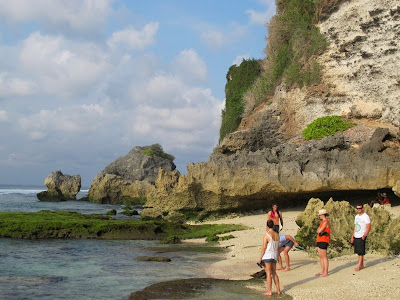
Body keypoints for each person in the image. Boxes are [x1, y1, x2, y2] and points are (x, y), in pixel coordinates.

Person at [257, 219, 281, 296]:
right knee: (274, 273)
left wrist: (260, 258)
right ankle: (278, 290)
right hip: (274, 256)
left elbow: (264, 247)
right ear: (273, 225)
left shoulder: (266, 235)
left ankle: (269, 291)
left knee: (268, 274)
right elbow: (277, 248)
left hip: (267, 256)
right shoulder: (277, 235)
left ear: (267, 226)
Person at [350, 204, 371, 271]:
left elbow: (368, 227)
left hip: (362, 235)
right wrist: (352, 236)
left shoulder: (365, 216)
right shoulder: (356, 217)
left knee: (360, 251)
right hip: (356, 235)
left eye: (360, 208)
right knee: (358, 250)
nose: (359, 210)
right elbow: (355, 227)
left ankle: (359, 265)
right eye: (357, 208)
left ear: (362, 208)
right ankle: (361, 264)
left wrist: (364, 235)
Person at [316, 209, 330, 277]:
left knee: (324, 257)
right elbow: (318, 230)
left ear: (323, 215)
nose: (319, 217)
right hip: (319, 240)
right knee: (321, 256)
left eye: (320, 215)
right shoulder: (322, 222)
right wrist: (319, 230)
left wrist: (319, 230)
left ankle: (326, 272)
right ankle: (322, 271)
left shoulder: (325, 222)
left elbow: (319, 230)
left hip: (324, 240)